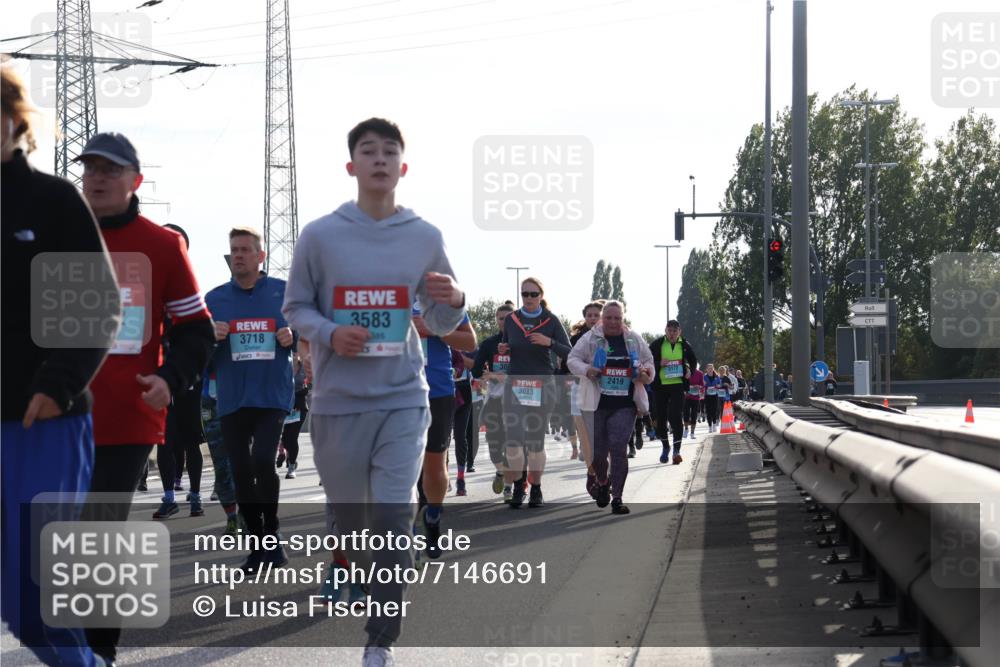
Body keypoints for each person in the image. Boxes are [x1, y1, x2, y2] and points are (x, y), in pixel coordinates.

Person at [282, 117, 466, 666]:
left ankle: (380, 642)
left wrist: (456, 296)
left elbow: (439, 312)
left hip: (403, 399)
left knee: (390, 515)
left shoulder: (424, 237)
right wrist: (329, 333)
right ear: (352, 166)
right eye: (369, 151)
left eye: (390, 151)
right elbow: (295, 308)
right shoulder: (319, 235)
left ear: (402, 167)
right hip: (338, 403)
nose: (380, 159)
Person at [78, 131, 215, 665]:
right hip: (50, 415)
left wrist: (169, 378)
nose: (98, 178)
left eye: (110, 170)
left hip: (126, 415)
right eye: (90, 168)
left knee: (99, 527)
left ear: (136, 180)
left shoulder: (160, 245)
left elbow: (195, 330)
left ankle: (98, 650)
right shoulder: (51, 238)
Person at [2, 61, 121, 667]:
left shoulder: (51, 202)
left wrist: (57, 384)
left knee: (31, 598)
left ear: (15, 122)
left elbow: (96, 308)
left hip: (41, 422)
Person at [205, 227, 296, 571]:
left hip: (272, 394)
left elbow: (306, 329)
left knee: (262, 460)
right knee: (240, 470)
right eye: (234, 250)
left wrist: (293, 334)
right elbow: (198, 351)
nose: (238, 255)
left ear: (261, 256)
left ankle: (272, 535)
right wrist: (211, 338)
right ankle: (258, 546)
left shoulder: (283, 292)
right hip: (232, 398)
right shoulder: (214, 300)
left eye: (245, 249)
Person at [568, 301, 654, 514]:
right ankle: (603, 481)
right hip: (596, 404)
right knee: (597, 454)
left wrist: (646, 374)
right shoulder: (590, 338)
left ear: (623, 319)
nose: (613, 322)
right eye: (609, 318)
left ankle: (617, 497)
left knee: (618, 447)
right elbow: (572, 359)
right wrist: (587, 369)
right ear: (602, 318)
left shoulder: (634, 339)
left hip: (624, 404)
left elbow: (649, 362)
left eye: (617, 318)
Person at [499, 277, 572, 508]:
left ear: (541, 295)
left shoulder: (550, 320)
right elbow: (506, 344)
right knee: (513, 440)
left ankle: (537, 489)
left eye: (533, 294)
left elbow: (569, 351)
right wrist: (504, 348)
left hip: (542, 384)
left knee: (535, 441)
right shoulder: (512, 320)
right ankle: (520, 485)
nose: (528, 298)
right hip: (515, 384)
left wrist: (548, 342)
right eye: (525, 294)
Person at [152, 223, 206, 519]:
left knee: (190, 439)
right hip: (160, 379)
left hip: (188, 379)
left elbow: (199, 333)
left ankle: (195, 496)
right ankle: (169, 496)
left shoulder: (189, 284)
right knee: (165, 439)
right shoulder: (147, 283)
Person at [414, 305, 475, 555]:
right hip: (391, 393)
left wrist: (433, 329)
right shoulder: (382, 293)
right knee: (399, 467)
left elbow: (470, 341)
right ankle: (407, 530)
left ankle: (433, 514)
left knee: (434, 466)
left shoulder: (442, 299)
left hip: (436, 392)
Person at [471, 302, 515, 500]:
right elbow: (476, 370)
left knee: (513, 444)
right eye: (500, 318)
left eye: (508, 318)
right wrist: (485, 375)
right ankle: (500, 471)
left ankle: (509, 485)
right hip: (495, 399)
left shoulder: (523, 343)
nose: (504, 322)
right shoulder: (489, 343)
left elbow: (534, 369)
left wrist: (503, 376)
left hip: (517, 400)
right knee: (494, 443)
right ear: (496, 320)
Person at [649, 319, 698, 465]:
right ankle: (665, 447)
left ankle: (677, 450)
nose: (672, 334)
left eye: (675, 331)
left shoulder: (684, 344)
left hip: (677, 385)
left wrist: (689, 369)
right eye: (669, 331)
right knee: (661, 417)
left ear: (679, 332)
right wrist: (659, 364)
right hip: (661, 386)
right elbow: (646, 361)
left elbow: (693, 360)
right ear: (665, 331)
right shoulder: (657, 344)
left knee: (675, 416)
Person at [276, 348, 310, 478]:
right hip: (285, 407)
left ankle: (291, 467)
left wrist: (305, 390)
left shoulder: (304, 368)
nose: (295, 355)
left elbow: (310, 386)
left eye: (296, 353)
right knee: (285, 437)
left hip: (299, 408)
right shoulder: (283, 367)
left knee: (292, 437)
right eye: (292, 353)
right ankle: (285, 455)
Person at [684, 362, 705, 438]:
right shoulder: (686, 372)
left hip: (696, 396)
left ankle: (692, 433)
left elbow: (702, 385)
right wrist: (686, 388)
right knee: (686, 413)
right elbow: (683, 383)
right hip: (687, 396)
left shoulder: (700, 373)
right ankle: (686, 429)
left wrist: (698, 386)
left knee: (694, 414)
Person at [703, 363, 722, 432]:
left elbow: (720, 385)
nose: (710, 370)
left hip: (715, 395)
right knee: (708, 411)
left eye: (711, 368)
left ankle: (714, 425)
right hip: (707, 396)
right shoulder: (704, 377)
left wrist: (717, 386)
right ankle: (710, 426)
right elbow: (703, 386)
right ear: (706, 369)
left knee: (714, 410)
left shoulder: (717, 376)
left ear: (713, 369)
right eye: (709, 368)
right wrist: (704, 385)